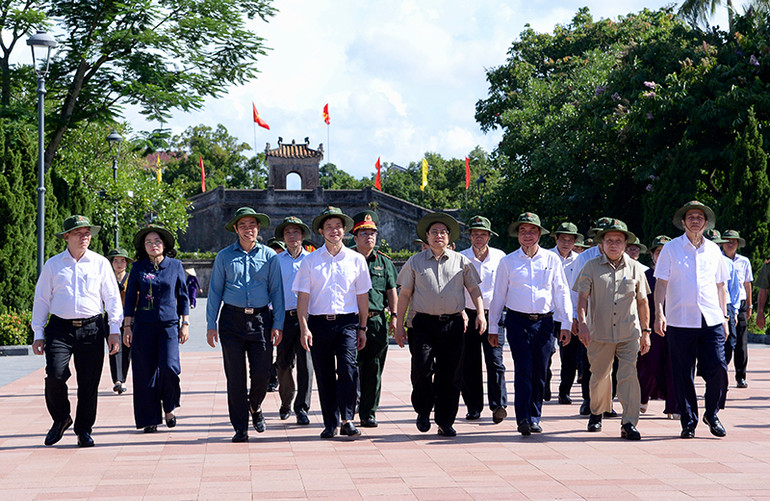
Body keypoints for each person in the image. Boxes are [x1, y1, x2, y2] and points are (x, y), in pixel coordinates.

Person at [32, 215, 123, 447]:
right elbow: (42, 299)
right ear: (66, 237)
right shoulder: (53, 264)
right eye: (79, 233)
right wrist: (38, 333)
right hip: (59, 328)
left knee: (89, 382)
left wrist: (114, 330)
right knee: (55, 375)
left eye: (87, 233)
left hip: (92, 328)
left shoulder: (100, 263)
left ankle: (84, 429)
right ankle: (61, 418)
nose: (85, 237)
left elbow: (112, 298)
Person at [394, 212, 485, 437]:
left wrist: (481, 314)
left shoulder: (461, 261)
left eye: (443, 232)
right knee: (421, 370)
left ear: (449, 237)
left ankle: (445, 421)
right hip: (423, 324)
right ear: (427, 236)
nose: (438, 236)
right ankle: (423, 410)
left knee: (451, 374)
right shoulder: (415, 261)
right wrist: (398, 324)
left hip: (453, 324)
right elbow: (404, 294)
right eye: (434, 232)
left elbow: (474, 289)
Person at [489, 212, 572, 435]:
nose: (527, 235)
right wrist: (493, 327)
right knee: (523, 369)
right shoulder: (508, 262)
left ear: (540, 234)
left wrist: (566, 323)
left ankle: (535, 415)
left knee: (540, 371)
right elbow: (498, 295)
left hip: (545, 323)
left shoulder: (551, 259)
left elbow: (561, 291)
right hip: (517, 322)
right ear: (517, 234)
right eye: (523, 231)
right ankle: (523, 418)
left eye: (532, 231)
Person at [206, 207, 285, 442]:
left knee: (262, 375)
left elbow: (277, 292)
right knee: (235, 377)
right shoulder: (225, 256)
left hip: (261, 320)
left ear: (258, 228)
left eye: (252, 225)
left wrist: (278, 323)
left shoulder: (270, 256)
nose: (248, 229)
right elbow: (214, 292)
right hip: (231, 320)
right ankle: (240, 427)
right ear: (236, 230)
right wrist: (211, 323)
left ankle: (255, 406)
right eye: (243, 225)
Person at [654, 201, 729, 439]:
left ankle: (712, 413)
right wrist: (659, 313)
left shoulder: (714, 250)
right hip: (680, 320)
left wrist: (725, 316)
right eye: (691, 217)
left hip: (711, 319)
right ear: (683, 222)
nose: (695, 220)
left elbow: (720, 286)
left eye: (700, 217)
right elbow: (661, 284)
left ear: (706, 223)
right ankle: (688, 421)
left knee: (718, 367)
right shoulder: (671, 249)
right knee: (682, 373)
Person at [294, 207, 371, 439]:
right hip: (318, 323)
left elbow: (362, 296)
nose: (334, 230)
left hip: (347, 322)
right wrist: (304, 327)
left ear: (345, 230)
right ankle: (330, 422)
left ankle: (347, 419)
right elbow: (303, 297)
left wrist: (363, 327)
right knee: (324, 373)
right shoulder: (310, 261)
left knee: (348, 370)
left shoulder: (356, 260)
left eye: (338, 226)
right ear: (321, 231)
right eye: (329, 226)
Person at [573, 220, 651, 440]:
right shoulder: (591, 266)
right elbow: (582, 298)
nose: (614, 245)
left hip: (629, 333)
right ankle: (597, 413)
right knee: (599, 376)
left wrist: (646, 332)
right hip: (599, 332)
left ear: (625, 243)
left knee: (628, 376)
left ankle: (629, 422)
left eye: (618, 241)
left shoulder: (636, 268)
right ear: (602, 244)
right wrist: (583, 324)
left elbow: (643, 302)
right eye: (609, 241)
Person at [123, 225, 190, 432]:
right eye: (149, 242)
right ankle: (149, 418)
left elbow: (183, 296)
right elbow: (129, 300)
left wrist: (185, 323)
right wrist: (127, 326)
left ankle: (169, 406)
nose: (153, 245)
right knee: (144, 373)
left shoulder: (175, 265)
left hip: (168, 326)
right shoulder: (138, 268)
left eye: (157, 241)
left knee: (170, 368)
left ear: (165, 244)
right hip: (143, 326)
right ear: (144, 246)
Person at [348, 211, 399, 428]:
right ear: (355, 236)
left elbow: (391, 291)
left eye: (373, 233)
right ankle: (348, 410)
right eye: (364, 233)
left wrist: (395, 316)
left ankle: (369, 412)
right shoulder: (346, 259)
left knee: (373, 370)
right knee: (348, 368)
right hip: (350, 322)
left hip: (376, 321)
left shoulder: (384, 262)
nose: (369, 237)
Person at [459, 215, 507, 423]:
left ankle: (499, 405)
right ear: (470, 236)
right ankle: (473, 406)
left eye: (483, 234)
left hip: (494, 314)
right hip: (468, 315)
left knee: (495, 361)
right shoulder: (461, 257)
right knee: (469, 363)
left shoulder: (500, 257)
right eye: (475, 234)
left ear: (489, 236)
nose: (479, 238)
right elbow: (456, 289)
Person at [274, 216, 314, 425]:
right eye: (288, 232)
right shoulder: (276, 261)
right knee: (283, 364)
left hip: (306, 319)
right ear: (283, 237)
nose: (292, 236)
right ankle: (286, 401)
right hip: (285, 318)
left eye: (296, 232)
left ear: (302, 236)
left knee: (306, 365)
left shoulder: (311, 260)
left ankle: (302, 407)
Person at [636, 235, 679, 419]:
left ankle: (673, 405)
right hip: (650, 327)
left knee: (673, 366)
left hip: (676, 326)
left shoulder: (678, 276)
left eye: (665, 252)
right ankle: (643, 397)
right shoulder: (644, 276)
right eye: (658, 252)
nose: (661, 256)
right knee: (650, 364)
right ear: (652, 255)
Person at [546, 222, 582, 406]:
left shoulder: (580, 261)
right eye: (563, 239)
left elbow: (578, 292)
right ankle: (545, 384)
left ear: (575, 241)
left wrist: (576, 316)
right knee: (545, 353)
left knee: (569, 357)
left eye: (570, 240)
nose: (566, 243)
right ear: (556, 239)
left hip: (569, 315)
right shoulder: (546, 257)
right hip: (547, 314)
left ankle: (564, 391)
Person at [720, 230, 753, 388]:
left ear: (738, 244)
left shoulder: (744, 261)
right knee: (726, 341)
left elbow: (747, 284)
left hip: (740, 304)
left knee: (741, 342)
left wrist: (750, 305)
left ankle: (741, 376)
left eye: (734, 240)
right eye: (727, 240)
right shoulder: (718, 259)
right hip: (724, 304)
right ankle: (721, 374)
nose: (730, 243)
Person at [106, 248, 133, 394]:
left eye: (122, 261)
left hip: (128, 317)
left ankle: (123, 378)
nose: (119, 264)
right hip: (111, 318)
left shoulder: (131, 278)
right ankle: (117, 380)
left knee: (127, 349)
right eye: (116, 261)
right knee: (114, 348)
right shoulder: (106, 278)